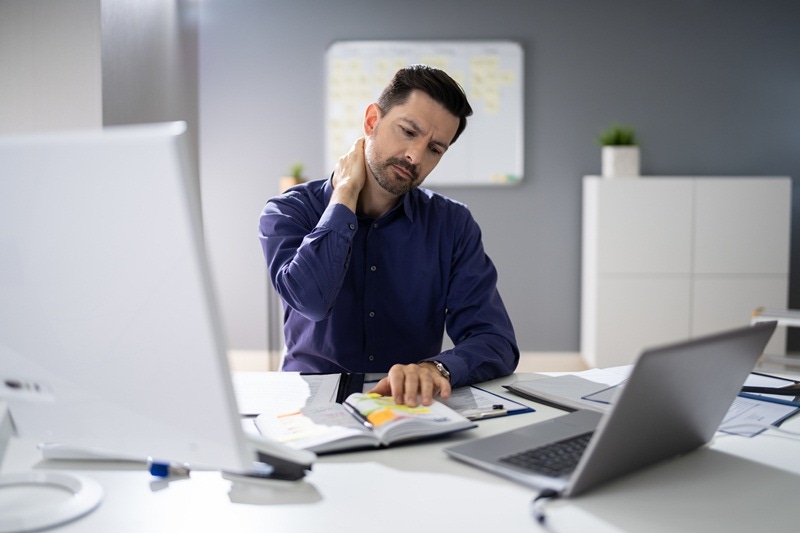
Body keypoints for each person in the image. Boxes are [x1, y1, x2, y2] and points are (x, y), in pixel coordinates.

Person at [259, 64, 518, 407]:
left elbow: (495, 339)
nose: (415, 156)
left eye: (435, 149)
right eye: (409, 131)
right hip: (309, 405)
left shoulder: (452, 223)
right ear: (371, 121)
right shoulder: (288, 212)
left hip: (406, 405)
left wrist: (436, 368)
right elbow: (311, 301)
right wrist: (344, 197)